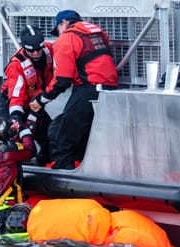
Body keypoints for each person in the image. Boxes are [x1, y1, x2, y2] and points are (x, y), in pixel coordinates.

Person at [29, 10, 118, 169]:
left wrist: (42, 99)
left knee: (62, 137)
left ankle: (63, 178)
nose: (58, 35)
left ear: (62, 23)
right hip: (111, 91)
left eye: (57, 31)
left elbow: (62, 80)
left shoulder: (66, 39)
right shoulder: (98, 32)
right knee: (88, 136)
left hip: (88, 90)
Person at [0, 24, 54, 166]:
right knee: (15, 142)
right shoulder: (16, 65)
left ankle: (44, 164)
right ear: (24, 47)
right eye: (31, 50)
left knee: (51, 136)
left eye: (38, 48)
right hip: (13, 104)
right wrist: (16, 118)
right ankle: (12, 171)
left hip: (35, 103)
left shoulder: (48, 51)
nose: (36, 52)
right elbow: (16, 94)